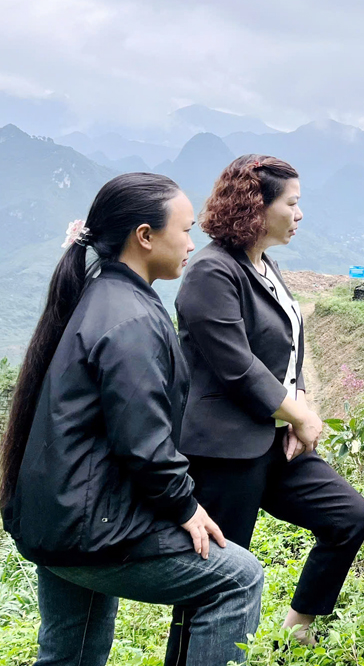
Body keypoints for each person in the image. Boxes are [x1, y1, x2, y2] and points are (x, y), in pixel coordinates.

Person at [0, 174, 263, 666]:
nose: (192, 242)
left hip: (55, 517)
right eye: (185, 230)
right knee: (238, 577)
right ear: (144, 236)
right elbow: (143, 442)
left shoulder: (99, 295)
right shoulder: (132, 321)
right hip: (89, 525)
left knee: (71, 652)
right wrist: (185, 508)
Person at [171, 156, 364, 652]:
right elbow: (236, 366)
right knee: (213, 581)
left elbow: (287, 345)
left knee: (349, 517)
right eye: (292, 202)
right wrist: (301, 415)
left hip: (274, 441)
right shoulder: (210, 272)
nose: (300, 213)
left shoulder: (264, 264)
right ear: (255, 207)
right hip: (223, 450)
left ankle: (296, 630)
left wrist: (299, 393)